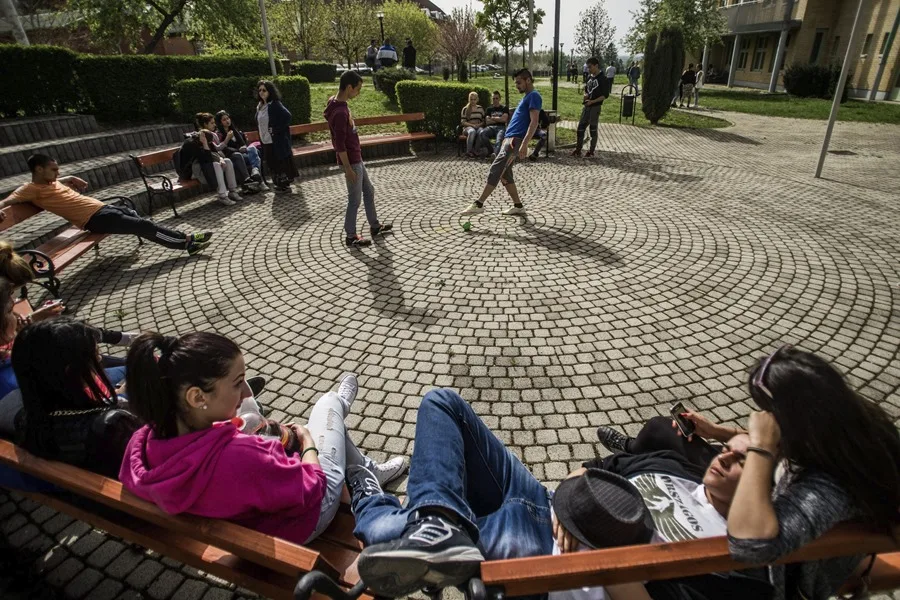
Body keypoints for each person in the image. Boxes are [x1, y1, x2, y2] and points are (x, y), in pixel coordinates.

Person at [346, 388, 759, 598]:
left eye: (742, 461)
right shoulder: (681, 469)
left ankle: (365, 490)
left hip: (547, 556)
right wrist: (573, 488)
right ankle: (438, 524)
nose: (722, 459)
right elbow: (599, 466)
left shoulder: (733, 557)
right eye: (725, 450)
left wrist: (601, 550)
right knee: (442, 402)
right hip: (544, 502)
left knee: (383, 538)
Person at [119, 332, 407, 545]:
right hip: (302, 522)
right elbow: (312, 487)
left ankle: (364, 465)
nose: (247, 391)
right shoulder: (239, 456)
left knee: (313, 427)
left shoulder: (142, 442)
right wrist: (308, 444)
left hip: (244, 526)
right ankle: (361, 460)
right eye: (237, 382)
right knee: (327, 406)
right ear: (197, 397)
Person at [725, 345, 900, 600]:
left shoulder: (831, 485)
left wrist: (761, 446)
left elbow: (749, 547)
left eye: (767, 411)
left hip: (776, 582)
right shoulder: (855, 428)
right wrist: (718, 432)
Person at [0, 155, 212, 256]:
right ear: (38, 169)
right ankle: (186, 243)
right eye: (53, 170)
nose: (58, 174)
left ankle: (185, 238)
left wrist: (71, 177)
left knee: (140, 222)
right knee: (142, 226)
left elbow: (59, 184)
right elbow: (6, 201)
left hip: (103, 209)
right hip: (94, 219)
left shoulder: (49, 182)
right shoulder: (30, 189)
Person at [8, 318, 141, 478]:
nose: (99, 360)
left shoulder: (26, 418)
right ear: (72, 373)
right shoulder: (113, 426)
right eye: (96, 356)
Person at [324, 71, 394, 249]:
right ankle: (350, 236)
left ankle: (375, 226)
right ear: (349, 87)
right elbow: (339, 144)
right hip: (351, 161)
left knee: (369, 191)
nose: (359, 93)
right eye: (358, 89)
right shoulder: (339, 112)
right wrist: (348, 169)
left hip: (356, 157)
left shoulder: (336, 102)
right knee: (354, 200)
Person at [460, 69, 541, 218]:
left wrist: (524, 144)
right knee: (505, 174)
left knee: (496, 168)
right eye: (516, 82)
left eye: (519, 82)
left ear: (528, 80)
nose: (516, 85)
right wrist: (506, 137)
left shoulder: (534, 96)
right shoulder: (526, 97)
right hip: (509, 139)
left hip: (514, 141)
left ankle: (479, 204)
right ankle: (518, 206)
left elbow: (534, 122)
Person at [256, 80, 298, 193]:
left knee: (279, 163)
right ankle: (278, 184)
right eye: (260, 90)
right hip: (265, 140)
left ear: (270, 91)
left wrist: (276, 129)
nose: (261, 92)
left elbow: (287, 116)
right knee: (271, 163)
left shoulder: (274, 104)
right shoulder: (260, 106)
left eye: (264, 90)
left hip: (275, 140)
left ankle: (284, 185)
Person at [194, 113, 244, 206]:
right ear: (205, 124)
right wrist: (219, 158)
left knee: (227, 161)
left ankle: (232, 191)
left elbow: (214, 151)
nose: (215, 125)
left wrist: (220, 158)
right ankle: (222, 195)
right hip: (200, 168)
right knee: (217, 164)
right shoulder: (199, 137)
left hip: (210, 163)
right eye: (212, 123)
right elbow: (206, 156)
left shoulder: (208, 134)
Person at [214, 110, 267, 192]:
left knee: (252, 149)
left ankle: (255, 171)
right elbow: (224, 149)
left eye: (228, 118)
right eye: (224, 120)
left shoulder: (235, 131)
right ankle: (261, 182)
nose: (227, 121)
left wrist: (244, 147)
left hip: (243, 153)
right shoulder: (219, 134)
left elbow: (243, 144)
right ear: (220, 122)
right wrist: (238, 149)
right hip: (233, 156)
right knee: (255, 157)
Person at [572, 57, 606, 158]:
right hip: (586, 106)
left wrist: (593, 101)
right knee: (580, 128)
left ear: (596, 66)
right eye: (587, 67)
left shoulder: (603, 79)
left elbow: (604, 95)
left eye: (590, 67)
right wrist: (585, 94)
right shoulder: (590, 77)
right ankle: (578, 150)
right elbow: (586, 89)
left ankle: (591, 151)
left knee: (593, 130)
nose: (589, 69)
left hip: (595, 107)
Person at [479, 91, 508, 159]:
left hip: (501, 127)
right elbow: (487, 121)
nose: (495, 100)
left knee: (499, 139)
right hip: (490, 127)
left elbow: (504, 120)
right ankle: (491, 151)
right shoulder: (489, 109)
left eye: (496, 98)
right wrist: (499, 118)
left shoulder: (504, 108)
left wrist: (492, 118)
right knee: (482, 133)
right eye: (493, 98)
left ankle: (494, 154)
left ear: (500, 99)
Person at [459, 92, 486, 158]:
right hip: (468, 128)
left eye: (474, 99)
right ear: (469, 99)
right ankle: (469, 151)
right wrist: (472, 125)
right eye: (471, 99)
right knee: (472, 131)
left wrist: (479, 125)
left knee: (481, 132)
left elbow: (484, 121)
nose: (473, 101)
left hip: (478, 126)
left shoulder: (480, 108)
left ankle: (476, 151)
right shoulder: (465, 109)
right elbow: (463, 122)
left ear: (477, 100)